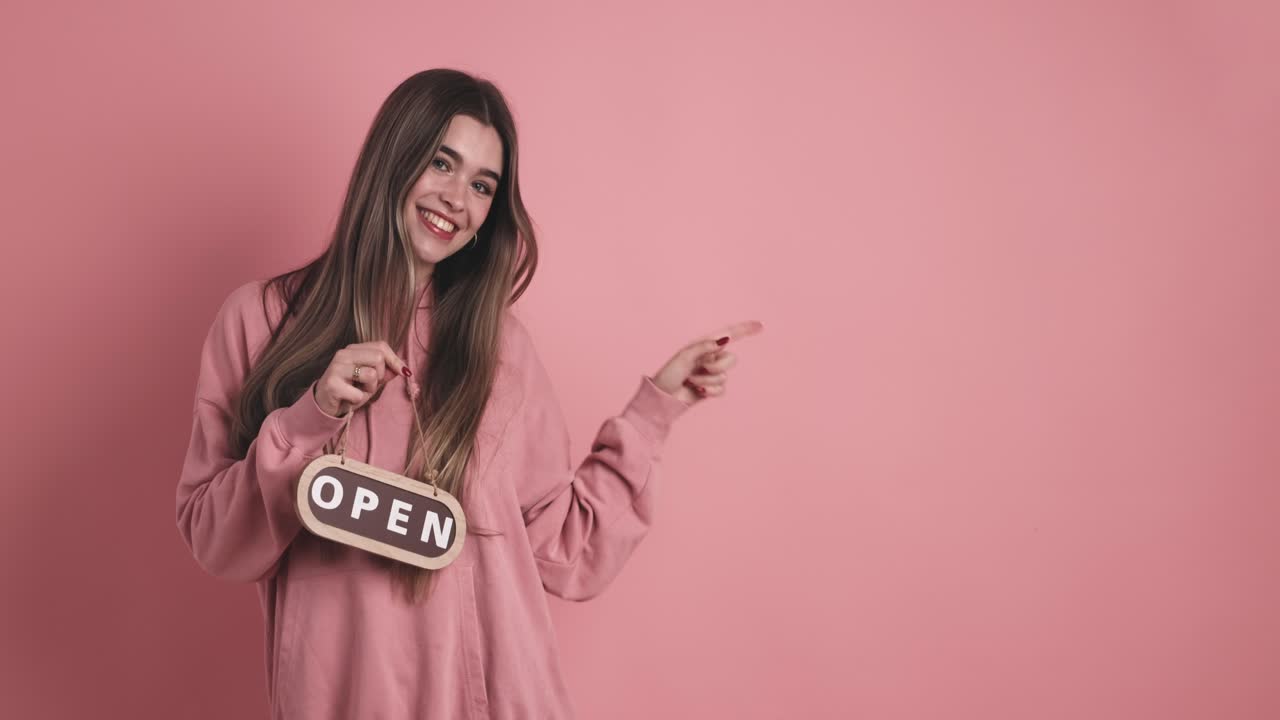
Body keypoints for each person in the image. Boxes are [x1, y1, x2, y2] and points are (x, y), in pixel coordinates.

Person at [174, 68, 763, 719]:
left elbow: (566, 549)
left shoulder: (503, 350)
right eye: (442, 164)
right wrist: (315, 415)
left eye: (482, 185)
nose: (458, 197)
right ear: (394, 158)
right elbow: (215, 538)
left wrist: (655, 411)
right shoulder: (261, 321)